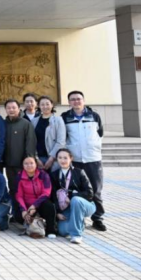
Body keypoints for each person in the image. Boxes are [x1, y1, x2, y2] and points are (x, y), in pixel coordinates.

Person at [61, 91, 106, 232]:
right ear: (69, 102)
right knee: (76, 190)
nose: (76, 101)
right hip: (75, 160)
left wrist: (94, 146)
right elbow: (64, 136)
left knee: (96, 189)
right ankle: (79, 217)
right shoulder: (65, 117)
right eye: (73, 99)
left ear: (84, 100)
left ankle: (97, 218)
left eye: (78, 99)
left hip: (93, 159)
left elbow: (100, 134)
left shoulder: (94, 116)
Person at [51, 148, 97, 244]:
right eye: (60, 158)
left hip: (85, 205)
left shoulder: (79, 172)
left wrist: (72, 196)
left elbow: (89, 193)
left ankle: (76, 235)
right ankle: (80, 223)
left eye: (65, 158)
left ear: (71, 158)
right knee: (62, 231)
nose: (62, 160)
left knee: (75, 200)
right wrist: (57, 212)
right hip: (67, 208)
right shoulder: (54, 175)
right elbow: (53, 196)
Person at [3, 99, 37, 220]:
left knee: (24, 190)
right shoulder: (3, 123)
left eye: (14, 107)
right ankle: (16, 214)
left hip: (22, 165)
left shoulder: (25, 124)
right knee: (13, 189)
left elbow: (30, 143)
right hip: (9, 164)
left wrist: (28, 162)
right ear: (5, 109)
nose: (11, 110)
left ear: (19, 109)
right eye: (9, 108)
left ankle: (26, 214)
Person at [15, 155, 57, 238]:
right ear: (22, 165)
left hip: (40, 203)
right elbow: (19, 195)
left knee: (49, 206)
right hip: (27, 205)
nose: (29, 165)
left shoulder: (43, 175)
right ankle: (31, 224)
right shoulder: (19, 176)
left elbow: (46, 193)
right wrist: (24, 210)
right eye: (26, 163)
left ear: (36, 164)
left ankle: (50, 230)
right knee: (18, 215)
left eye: (31, 163)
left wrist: (35, 205)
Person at [36, 96, 66, 171]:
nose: (45, 106)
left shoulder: (58, 120)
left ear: (52, 105)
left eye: (47, 104)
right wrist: (36, 158)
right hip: (39, 158)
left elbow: (61, 141)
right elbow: (31, 141)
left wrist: (51, 158)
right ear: (38, 106)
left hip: (54, 158)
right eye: (42, 104)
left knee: (54, 178)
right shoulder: (34, 121)